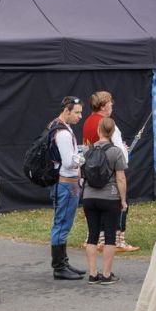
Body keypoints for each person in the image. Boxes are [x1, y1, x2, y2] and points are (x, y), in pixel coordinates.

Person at [81, 91, 137, 252]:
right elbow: (119, 151)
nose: (112, 105)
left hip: (92, 170)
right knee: (119, 203)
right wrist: (123, 151)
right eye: (110, 103)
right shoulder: (107, 123)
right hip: (109, 170)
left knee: (95, 206)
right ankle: (117, 240)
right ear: (103, 106)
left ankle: (95, 237)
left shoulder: (87, 121)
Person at [81, 117, 128, 285]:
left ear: (98, 130)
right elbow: (121, 178)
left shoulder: (87, 150)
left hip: (89, 197)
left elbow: (81, 174)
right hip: (110, 197)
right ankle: (107, 274)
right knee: (109, 237)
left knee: (92, 235)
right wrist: (123, 200)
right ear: (113, 132)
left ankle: (93, 274)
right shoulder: (116, 152)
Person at [47, 96, 87, 281]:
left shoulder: (57, 126)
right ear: (66, 111)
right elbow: (70, 162)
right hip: (66, 183)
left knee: (63, 223)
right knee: (62, 223)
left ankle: (63, 262)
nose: (80, 116)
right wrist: (84, 156)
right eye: (77, 112)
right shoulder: (63, 133)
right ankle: (59, 267)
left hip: (63, 183)